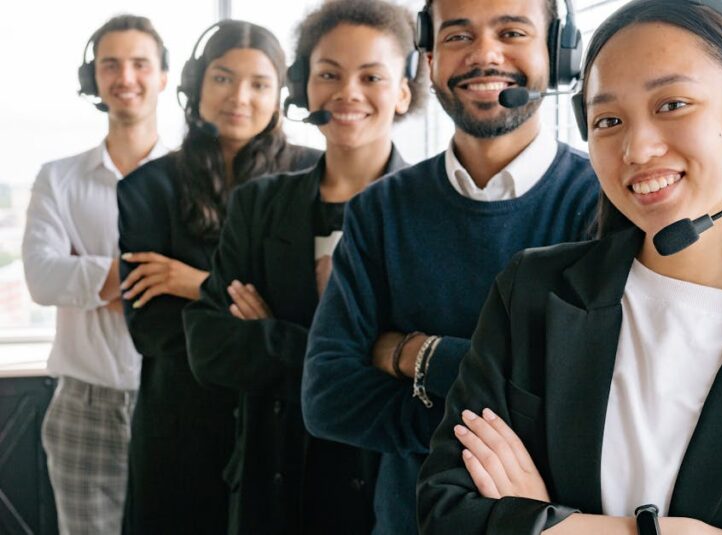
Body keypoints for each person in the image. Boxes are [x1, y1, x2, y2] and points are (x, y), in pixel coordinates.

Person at [417, 1, 722, 534]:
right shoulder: (532, 292)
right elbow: (447, 514)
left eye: (671, 104)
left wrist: (547, 523)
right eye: (608, 120)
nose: (637, 147)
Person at [300, 0, 599, 532]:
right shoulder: (378, 210)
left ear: (557, 52)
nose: (485, 54)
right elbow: (328, 398)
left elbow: (588, 410)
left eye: (511, 31)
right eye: (459, 36)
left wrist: (413, 353)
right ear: (430, 58)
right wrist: (510, 413)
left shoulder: (604, 207)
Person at [181, 1, 426, 533]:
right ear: (304, 86)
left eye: (372, 76)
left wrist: (273, 334)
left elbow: (433, 375)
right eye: (328, 74)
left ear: (404, 90)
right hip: (273, 483)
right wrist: (364, 352)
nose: (348, 93)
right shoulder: (258, 205)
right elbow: (210, 347)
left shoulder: (430, 213)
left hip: (384, 489)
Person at [116, 20, 320, 534]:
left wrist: (195, 284)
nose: (239, 97)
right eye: (223, 78)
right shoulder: (147, 187)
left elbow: (318, 323)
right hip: (179, 426)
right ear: (196, 84)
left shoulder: (315, 178)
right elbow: (153, 329)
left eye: (259, 83)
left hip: (286, 426)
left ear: (282, 95)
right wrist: (260, 320)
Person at [20, 15, 168, 534]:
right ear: (94, 79)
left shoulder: (193, 177)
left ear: (164, 78)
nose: (125, 76)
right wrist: (151, 278)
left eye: (139, 63)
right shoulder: (58, 178)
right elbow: (41, 277)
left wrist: (90, 277)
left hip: (175, 398)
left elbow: (209, 281)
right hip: (84, 401)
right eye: (111, 64)